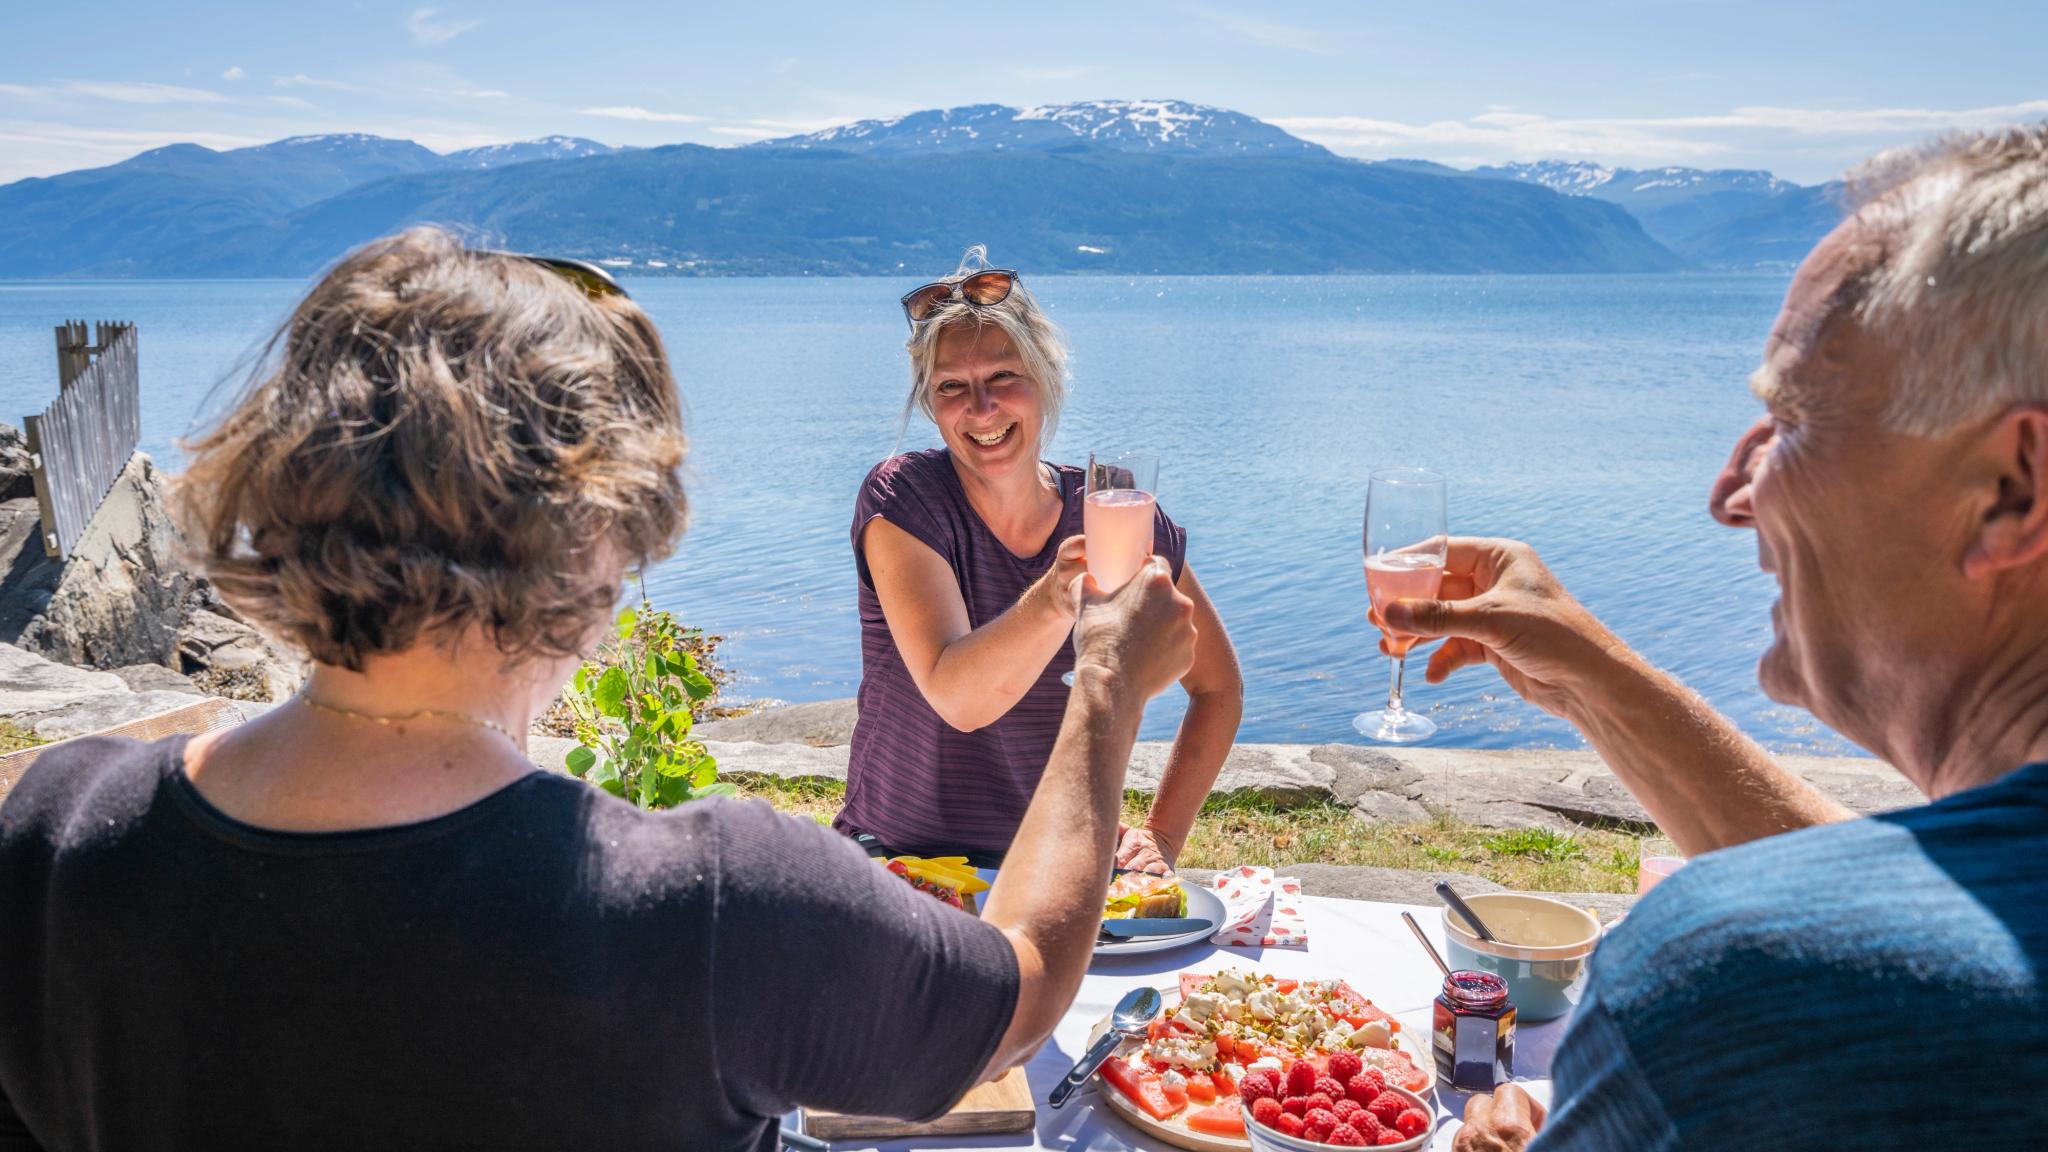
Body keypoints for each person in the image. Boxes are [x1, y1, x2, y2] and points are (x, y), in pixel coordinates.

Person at [0, 229, 1199, 1150]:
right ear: (600, 537)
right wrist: (1103, 685)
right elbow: (1019, 996)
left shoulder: (58, 832)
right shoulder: (711, 902)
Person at [1409, 126, 2048, 1150]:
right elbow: (1944, 922)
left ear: (2008, 489)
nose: (1729, 493)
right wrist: (1587, 680)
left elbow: (1833, 962)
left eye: (1791, 419)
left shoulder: (1738, 992)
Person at [838, 249, 1242, 872]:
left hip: (1062, 871)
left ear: (1046, 375)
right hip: (903, 865)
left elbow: (1216, 687)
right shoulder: (904, 498)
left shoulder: (1114, 509)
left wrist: (1162, 834)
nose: (981, 408)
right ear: (929, 401)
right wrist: (1057, 598)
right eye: (952, 387)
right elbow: (960, 699)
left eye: (1003, 376)